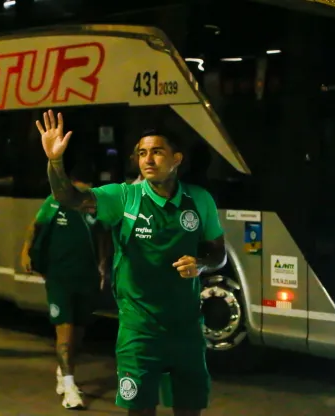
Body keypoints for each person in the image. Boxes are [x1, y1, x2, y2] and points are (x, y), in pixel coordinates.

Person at [35, 110, 227, 416]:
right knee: (140, 409)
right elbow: (69, 197)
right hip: (139, 328)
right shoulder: (124, 197)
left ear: (177, 159)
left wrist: (201, 264)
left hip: (187, 327)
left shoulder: (200, 200)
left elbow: (219, 253)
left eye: (157, 152)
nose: (148, 160)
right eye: (142, 153)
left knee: (189, 409)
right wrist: (55, 162)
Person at [21, 163, 109, 410]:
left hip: (87, 277)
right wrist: (26, 252)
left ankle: (64, 370)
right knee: (65, 330)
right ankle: (70, 387)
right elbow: (35, 226)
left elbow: (104, 236)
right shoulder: (54, 202)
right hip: (59, 276)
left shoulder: (96, 204)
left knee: (78, 333)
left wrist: (104, 268)